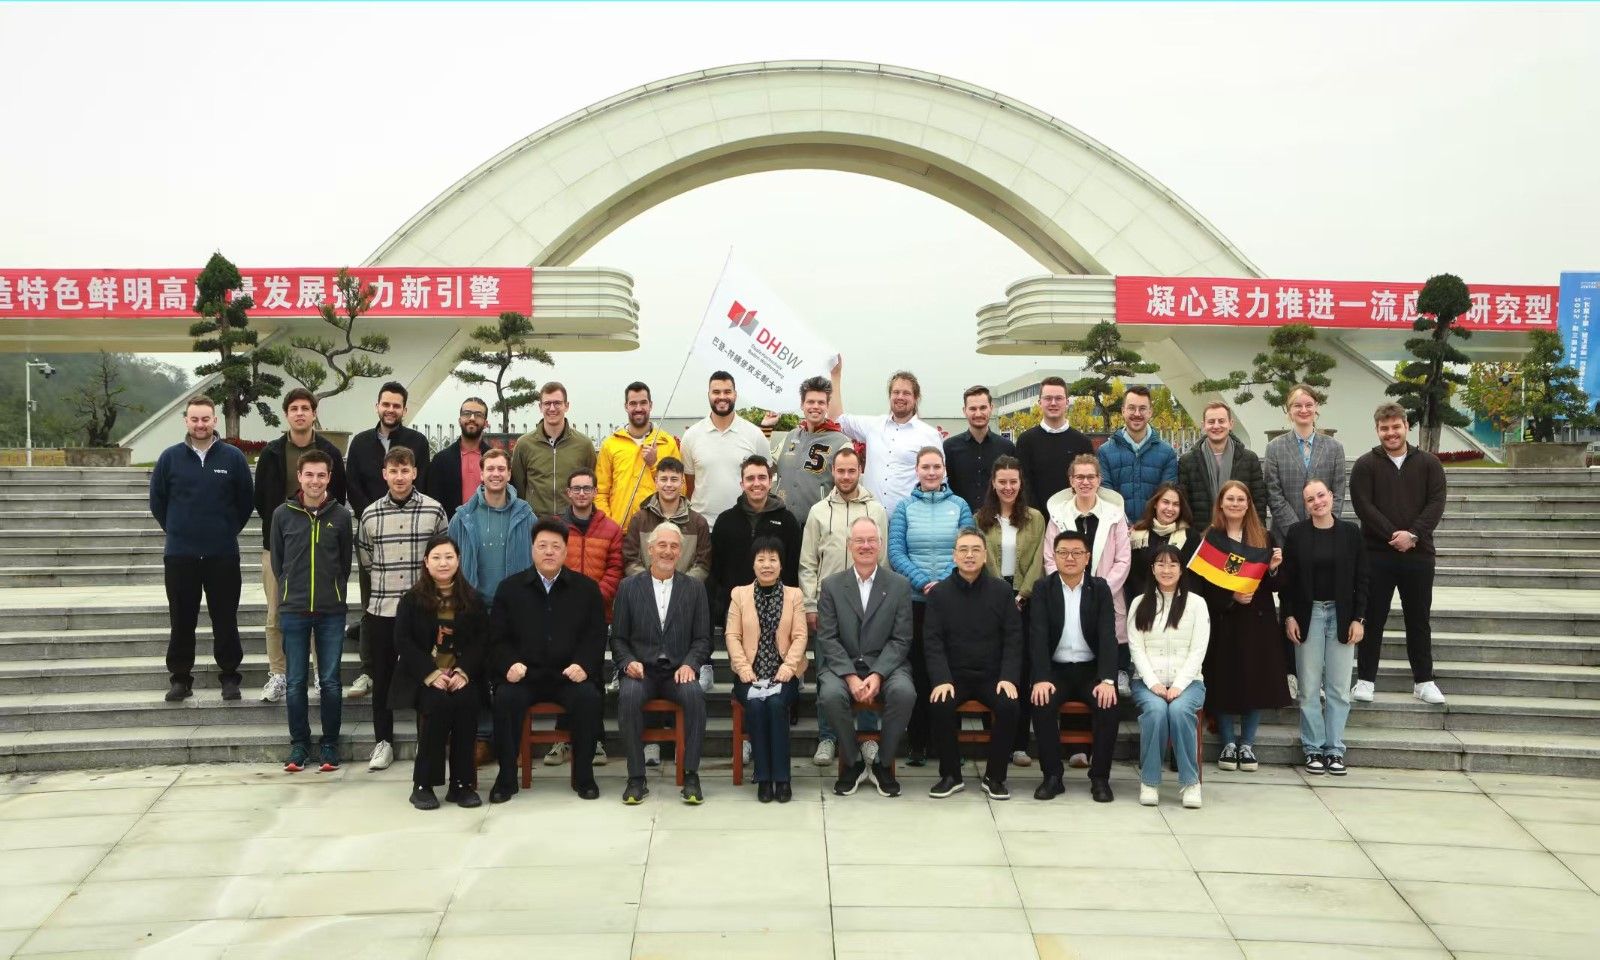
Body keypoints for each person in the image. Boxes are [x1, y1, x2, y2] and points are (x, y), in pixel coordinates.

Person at [487, 518, 608, 802]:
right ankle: (506, 778)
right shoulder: (510, 588)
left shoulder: (586, 589)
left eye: (556, 546)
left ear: (566, 551)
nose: (549, 552)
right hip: (525, 676)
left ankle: (584, 776)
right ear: (532, 550)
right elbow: (497, 638)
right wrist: (508, 664)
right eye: (542, 546)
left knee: (588, 698)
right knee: (505, 698)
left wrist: (584, 665)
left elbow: (596, 635)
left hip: (568, 676)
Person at [148, 395, 254, 702]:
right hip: (180, 555)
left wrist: (225, 530)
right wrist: (179, 530)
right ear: (186, 421)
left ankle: (230, 676)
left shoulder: (233, 458)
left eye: (205, 418)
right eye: (194, 419)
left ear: (215, 420)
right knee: (182, 620)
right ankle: (180, 679)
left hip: (222, 554)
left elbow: (245, 501)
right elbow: (158, 502)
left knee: (225, 618)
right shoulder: (169, 458)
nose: (200, 424)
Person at [354, 446, 449, 772]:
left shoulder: (434, 510)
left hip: (424, 610)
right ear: (384, 474)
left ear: (414, 473)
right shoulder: (370, 515)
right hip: (383, 609)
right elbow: (367, 559)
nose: (399, 477)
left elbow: (443, 556)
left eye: (405, 470)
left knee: (426, 674)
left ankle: (427, 738)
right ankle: (384, 742)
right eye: (393, 471)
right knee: (381, 678)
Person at [1349, 403, 1448, 706]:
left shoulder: (1429, 464)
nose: (1390, 433)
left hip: (1419, 554)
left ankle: (1424, 681)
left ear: (1406, 426)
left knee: (1418, 620)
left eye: (1395, 427)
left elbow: (1436, 503)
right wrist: (1394, 535)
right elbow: (1363, 506)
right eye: (1384, 428)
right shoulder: (1365, 465)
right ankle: (1365, 680)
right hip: (1377, 555)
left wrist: (1413, 534)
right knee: (1372, 618)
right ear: (1377, 430)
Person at [253, 387, 348, 703]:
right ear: (286, 414)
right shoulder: (272, 453)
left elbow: (339, 496)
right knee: (276, 612)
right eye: (294, 408)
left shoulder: (330, 452)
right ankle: (278, 674)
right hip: (280, 543)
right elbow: (262, 499)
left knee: (320, 612)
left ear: (314, 413)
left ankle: (321, 674)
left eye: (305, 408)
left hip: (322, 543)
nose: (300, 413)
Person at [611, 524, 713, 805]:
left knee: (694, 696)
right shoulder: (629, 587)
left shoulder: (694, 588)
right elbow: (618, 639)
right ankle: (636, 777)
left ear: (681, 552)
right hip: (641, 671)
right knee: (628, 696)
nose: (668, 551)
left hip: (677, 670)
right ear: (650, 549)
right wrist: (628, 662)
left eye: (674, 546)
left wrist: (691, 664)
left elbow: (703, 639)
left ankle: (691, 774)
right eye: (662, 545)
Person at [798, 447, 887, 766]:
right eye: (841, 471)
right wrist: (810, 604)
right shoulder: (818, 512)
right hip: (829, 607)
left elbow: (883, 560)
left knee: (867, 669)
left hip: (868, 606)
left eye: (852, 470)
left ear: (860, 470)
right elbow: (808, 563)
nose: (846, 476)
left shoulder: (876, 510)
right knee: (828, 674)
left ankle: (868, 737)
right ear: (832, 472)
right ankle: (828, 736)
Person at [816, 517, 916, 798]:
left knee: (904, 693)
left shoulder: (899, 585)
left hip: (886, 665)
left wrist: (878, 674)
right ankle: (853, 761)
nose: (866, 545)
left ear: (880, 545)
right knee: (830, 695)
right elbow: (827, 637)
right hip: (842, 665)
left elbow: (901, 638)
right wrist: (849, 676)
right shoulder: (832, 585)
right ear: (849, 545)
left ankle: (883, 763)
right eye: (859, 540)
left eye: (871, 540)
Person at [887, 446, 975, 765]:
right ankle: (917, 743)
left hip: (953, 602)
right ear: (917, 470)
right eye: (925, 467)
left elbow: (968, 548)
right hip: (915, 603)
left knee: (949, 671)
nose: (931, 472)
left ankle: (946, 744)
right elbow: (896, 552)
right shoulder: (904, 508)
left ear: (944, 470)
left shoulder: (960, 506)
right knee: (919, 672)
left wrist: (946, 583)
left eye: (937, 466)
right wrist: (925, 582)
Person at [344, 381, 431, 700]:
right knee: (372, 604)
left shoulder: (417, 442)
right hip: (373, 533)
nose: (390, 410)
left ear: (404, 409)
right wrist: (373, 516)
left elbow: (423, 481)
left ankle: (414, 668)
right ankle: (369, 670)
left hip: (412, 535)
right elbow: (352, 484)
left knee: (418, 606)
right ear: (377, 406)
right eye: (386, 404)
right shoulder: (360, 442)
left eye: (396, 405)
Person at [448, 446, 535, 764]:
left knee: (510, 675)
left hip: (513, 611)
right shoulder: (462, 517)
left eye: (501, 469)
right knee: (477, 673)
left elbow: (536, 560)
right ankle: (483, 738)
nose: (496, 474)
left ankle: (512, 740)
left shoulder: (526, 515)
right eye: (490, 469)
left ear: (509, 474)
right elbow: (451, 561)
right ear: (481, 474)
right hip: (474, 609)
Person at [269, 450, 353, 773]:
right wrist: (290, 591)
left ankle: (330, 743)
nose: (315, 481)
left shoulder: (341, 516)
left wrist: (334, 591)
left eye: (321, 475)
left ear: (329, 478)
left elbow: (344, 563)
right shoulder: (282, 514)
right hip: (294, 609)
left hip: (331, 611)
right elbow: (278, 561)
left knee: (330, 680)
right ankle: (299, 744)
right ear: (299, 477)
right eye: (309, 475)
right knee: (295, 681)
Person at [924, 529, 1024, 800]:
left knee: (1009, 705)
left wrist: (1008, 677)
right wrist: (941, 678)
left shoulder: (1002, 592)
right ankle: (950, 775)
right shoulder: (939, 594)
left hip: (992, 676)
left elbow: (1014, 638)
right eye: (964, 550)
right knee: (939, 703)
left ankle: (995, 777)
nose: (969, 555)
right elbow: (932, 641)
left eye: (976, 550)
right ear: (954, 556)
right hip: (954, 676)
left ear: (985, 555)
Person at [1198, 480, 1289, 772]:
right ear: (1221, 504)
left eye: (1241, 499)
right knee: (1223, 680)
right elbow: (1203, 584)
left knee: (1255, 680)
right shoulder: (1211, 538)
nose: (1235, 504)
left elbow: (1278, 584)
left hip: (1257, 623)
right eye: (1230, 499)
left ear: (1248, 504)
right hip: (1224, 620)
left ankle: (1247, 744)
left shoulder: (1263, 536)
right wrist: (1231, 598)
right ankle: (1228, 742)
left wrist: (1273, 569)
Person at [393, 535, 489, 810]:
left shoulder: (473, 599)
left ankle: (461, 784)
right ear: (426, 562)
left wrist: (463, 672)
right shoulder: (411, 600)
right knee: (437, 704)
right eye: (436, 557)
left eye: (449, 557)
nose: (443, 563)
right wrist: (432, 674)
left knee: (466, 702)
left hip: (461, 676)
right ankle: (423, 785)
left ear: (458, 560)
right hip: (424, 678)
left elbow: (482, 641)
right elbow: (403, 642)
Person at [1282, 479, 1369, 776]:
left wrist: (1359, 618)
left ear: (1331, 497)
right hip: (1309, 615)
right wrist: (1289, 616)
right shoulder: (1297, 534)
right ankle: (1313, 748)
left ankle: (1334, 749)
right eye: (1310, 499)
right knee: (1308, 687)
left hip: (1342, 615)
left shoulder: (1351, 533)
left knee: (1339, 688)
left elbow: (1362, 578)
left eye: (1321, 495)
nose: (1317, 502)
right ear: (1305, 505)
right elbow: (1288, 581)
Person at [1029, 530, 1120, 802]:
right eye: (1063, 552)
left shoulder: (1099, 588)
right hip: (1055, 671)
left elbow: (1108, 636)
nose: (1070, 558)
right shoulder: (1043, 588)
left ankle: (1100, 778)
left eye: (1077, 553)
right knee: (1042, 702)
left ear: (1087, 557)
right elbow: (1037, 635)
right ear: (1054, 556)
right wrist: (1040, 677)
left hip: (1090, 670)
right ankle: (1052, 777)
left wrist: (1107, 679)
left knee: (1109, 705)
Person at [974, 454, 1046, 767]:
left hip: (1026, 599)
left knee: (1022, 668)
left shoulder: (1035, 518)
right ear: (993, 483)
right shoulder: (980, 518)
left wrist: (1023, 594)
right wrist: (1002, 595)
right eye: (1002, 481)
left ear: (1020, 483)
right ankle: (996, 738)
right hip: (991, 599)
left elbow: (1040, 558)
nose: (1008, 487)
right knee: (993, 666)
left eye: (1013, 481)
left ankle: (1019, 744)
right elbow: (982, 557)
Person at [548, 467, 623, 766]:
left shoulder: (611, 529)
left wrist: (592, 599)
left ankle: (596, 741)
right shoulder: (555, 527)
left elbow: (615, 569)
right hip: (560, 614)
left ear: (595, 492)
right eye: (576, 488)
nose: (581, 493)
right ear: (568, 493)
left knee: (593, 676)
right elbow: (549, 564)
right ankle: (561, 739)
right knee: (561, 672)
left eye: (587, 488)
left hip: (597, 614)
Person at [726, 536, 808, 802]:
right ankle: (763, 778)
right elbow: (732, 636)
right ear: (753, 564)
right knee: (756, 706)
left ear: (781, 565)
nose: (767, 565)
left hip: (784, 674)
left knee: (775, 704)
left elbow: (800, 636)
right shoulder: (739, 594)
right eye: (761, 559)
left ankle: (782, 779)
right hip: (749, 675)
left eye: (773, 559)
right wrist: (743, 668)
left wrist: (788, 667)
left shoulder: (794, 595)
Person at [1042, 454, 1132, 697]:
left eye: (1091, 477)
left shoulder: (1114, 515)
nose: (1085, 482)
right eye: (1079, 477)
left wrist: (1100, 590)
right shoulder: (1058, 515)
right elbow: (1050, 557)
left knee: (1109, 637)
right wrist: (1070, 586)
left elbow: (1123, 560)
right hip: (1067, 592)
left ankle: (1115, 674)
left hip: (1108, 593)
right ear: (1071, 480)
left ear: (1099, 480)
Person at [1126, 545, 1209, 808]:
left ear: (1181, 569)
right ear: (1152, 569)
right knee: (1156, 711)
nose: (1167, 570)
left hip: (1189, 683)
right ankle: (1150, 782)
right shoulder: (1139, 603)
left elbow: (1198, 649)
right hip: (1148, 683)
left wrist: (1179, 685)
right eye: (1161, 564)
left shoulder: (1196, 604)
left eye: (1173, 564)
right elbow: (1136, 648)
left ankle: (1190, 783)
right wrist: (1153, 683)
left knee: (1180, 711)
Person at [828, 359, 943, 514]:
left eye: (906, 393)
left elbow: (940, 481)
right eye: (896, 392)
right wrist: (836, 375)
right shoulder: (873, 426)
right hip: (871, 519)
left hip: (909, 519)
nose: (900, 397)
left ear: (916, 398)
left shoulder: (929, 435)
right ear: (890, 396)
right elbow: (837, 420)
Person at [709, 455, 803, 628]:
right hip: (735, 610)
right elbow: (716, 571)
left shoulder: (787, 521)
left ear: (770, 482)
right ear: (742, 484)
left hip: (778, 611)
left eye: (762, 477)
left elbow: (793, 568)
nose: (756, 483)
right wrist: (719, 608)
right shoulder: (725, 521)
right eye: (750, 478)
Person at [680, 371, 769, 527]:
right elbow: (690, 484)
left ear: (735, 395)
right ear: (708, 395)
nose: (722, 397)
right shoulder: (691, 436)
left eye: (727, 392)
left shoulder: (755, 434)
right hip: (702, 525)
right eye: (716, 392)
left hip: (744, 524)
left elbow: (765, 479)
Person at [595, 381, 683, 530]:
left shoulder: (667, 442)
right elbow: (600, 492)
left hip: (659, 530)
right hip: (620, 531)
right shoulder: (610, 444)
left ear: (650, 405)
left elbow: (681, 488)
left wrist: (654, 465)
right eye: (633, 403)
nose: (638, 408)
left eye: (643, 403)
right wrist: (609, 525)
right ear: (626, 406)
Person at [1263, 384, 1347, 539]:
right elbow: (1273, 494)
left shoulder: (1335, 448)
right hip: (1285, 536)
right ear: (1289, 410)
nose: (1304, 410)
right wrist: (1297, 532)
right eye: (1297, 405)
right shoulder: (1274, 448)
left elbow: (1339, 493)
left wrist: (1325, 526)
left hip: (1325, 535)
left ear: (1316, 407)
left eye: (1309, 405)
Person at [773, 375, 854, 522]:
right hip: (782, 521)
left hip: (819, 524)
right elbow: (766, 466)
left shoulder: (842, 443)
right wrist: (766, 428)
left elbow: (849, 486)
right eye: (810, 401)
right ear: (802, 404)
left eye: (821, 402)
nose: (815, 406)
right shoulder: (791, 436)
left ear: (827, 406)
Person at [510, 381, 597, 519]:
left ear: (566, 406)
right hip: (535, 522)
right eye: (547, 403)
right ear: (540, 407)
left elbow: (592, 483)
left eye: (557, 403)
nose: (552, 408)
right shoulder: (524, 444)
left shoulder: (584, 445)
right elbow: (518, 486)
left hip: (572, 522)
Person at [1096, 386, 1179, 524]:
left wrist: (1145, 528)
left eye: (1142, 408)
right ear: (1123, 411)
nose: (1137, 413)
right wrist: (1124, 526)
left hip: (1154, 530)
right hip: (1116, 528)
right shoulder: (1105, 452)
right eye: (1131, 408)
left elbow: (1167, 497)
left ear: (1150, 412)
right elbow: (1106, 496)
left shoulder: (1167, 453)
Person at [1177, 400, 1267, 525]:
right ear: (1203, 425)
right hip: (1202, 532)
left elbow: (1259, 501)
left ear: (1231, 424)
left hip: (1241, 531)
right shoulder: (1187, 461)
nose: (1216, 426)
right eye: (1211, 422)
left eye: (1221, 421)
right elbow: (1184, 504)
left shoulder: (1249, 459)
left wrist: (1258, 531)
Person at [623, 457, 712, 581]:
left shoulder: (698, 523)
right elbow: (630, 560)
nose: (668, 484)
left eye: (674, 479)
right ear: (656, 482)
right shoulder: (639, 519)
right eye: (664, 479)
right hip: (646, 590)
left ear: (682, 483)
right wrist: (651, 584)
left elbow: (703, 565)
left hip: (684, 591)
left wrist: (680, 586)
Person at [1015, 376, 1094, 512]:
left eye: (1058, 398)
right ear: (1040, 402)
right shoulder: (1025, 441)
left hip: (1074, 516)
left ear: (1067, 402)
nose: (1053, 403)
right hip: (1035, 518)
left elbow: (1089, 483)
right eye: (1048, 398)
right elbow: (1023, 484)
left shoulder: (1083, 442)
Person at [943, 385, 1017, 513]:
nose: (978, 413)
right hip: (960, 518)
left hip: (997, 519)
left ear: (991, 408)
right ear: (964, 411)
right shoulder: (949, 447)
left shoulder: (1007, 447)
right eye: (973, 408)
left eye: (983, 408)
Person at [1125, 482, 1200, 604]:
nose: (1170, 508)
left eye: (1176, 504)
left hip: (1179, 604)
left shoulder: (1190, 537)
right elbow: (1132, 577)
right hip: (1143, 602)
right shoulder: (1137, 535)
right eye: (1165, 502)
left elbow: (1194, 580)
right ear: (1155, 504)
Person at [424, 396, 491, 520]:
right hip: (452, 527)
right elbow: (433, 501)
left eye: (478, 415)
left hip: (488, 526)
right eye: (467, 414)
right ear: (460, 420)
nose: (472, 418)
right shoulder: (441, 460)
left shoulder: (495, 459)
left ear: (486, 423)